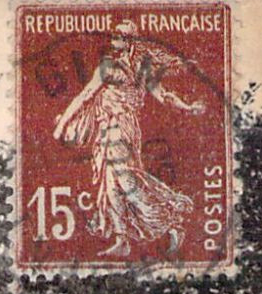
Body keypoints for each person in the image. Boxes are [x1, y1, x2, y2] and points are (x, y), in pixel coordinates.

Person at [52, 21, 206, 257]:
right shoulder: (117, 65)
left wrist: (187, 107)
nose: (114, 40)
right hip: (108, 126)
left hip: (121, 126)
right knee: (110, 182)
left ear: (128, 41)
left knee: (123, 179)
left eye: (118, 36)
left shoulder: (128, 67)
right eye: (114, 36)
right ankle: (122, 238)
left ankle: (170, 220)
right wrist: (62, 124)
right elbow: (87, 95)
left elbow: (162, 95)